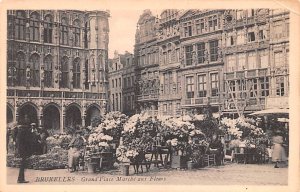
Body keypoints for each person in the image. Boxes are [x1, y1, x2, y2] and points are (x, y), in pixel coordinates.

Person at [15, 118, 33, 183]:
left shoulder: (20, 131)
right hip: (24, 150)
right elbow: (27, 141)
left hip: (21, 150)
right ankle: (20, 179)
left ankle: (21, 178)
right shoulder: (24, 131)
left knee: (23, 165)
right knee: (23, 165)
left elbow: (18, 142)